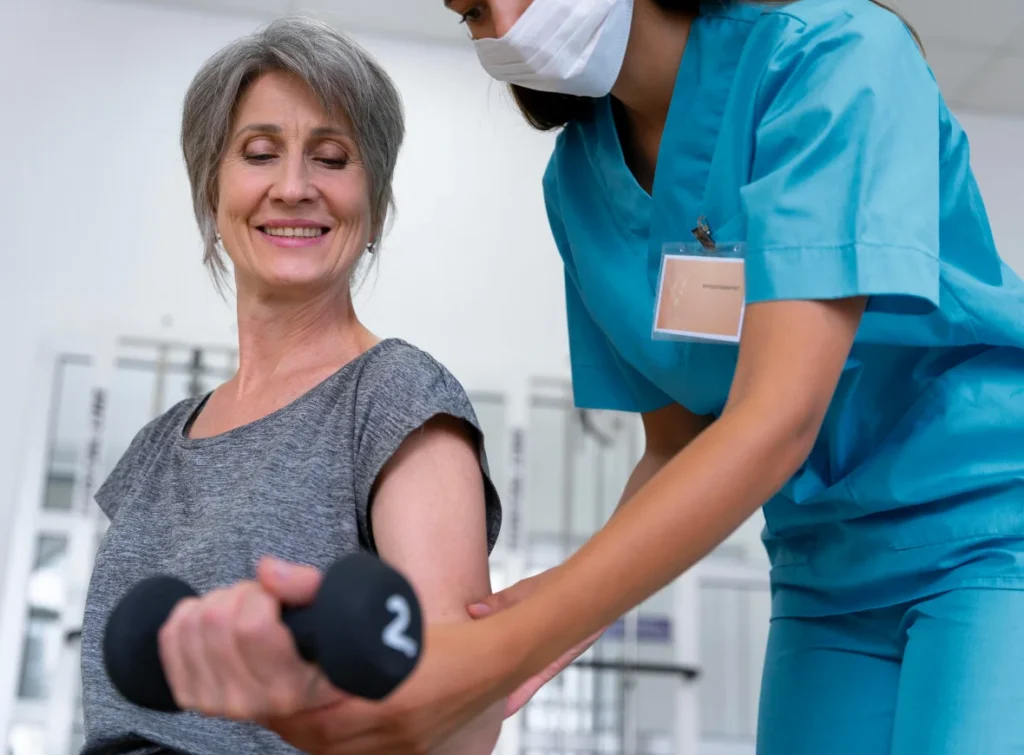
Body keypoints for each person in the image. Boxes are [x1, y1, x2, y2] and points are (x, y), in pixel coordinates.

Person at [140, 2, 1024, 754]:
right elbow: (675, 445)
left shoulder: (834, 56)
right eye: (468, 11)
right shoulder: (580, 183)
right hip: (821, 570)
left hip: (990, 536)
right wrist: (535, 632)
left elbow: (776, 418)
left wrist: (499, 651)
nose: (491, 24)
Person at [77, 16, 505, 755]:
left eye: (332, 159)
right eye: (260, 153)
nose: (295, 187)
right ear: (211, 194)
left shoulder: (396, 396)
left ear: (375, 206)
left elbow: (460, 723)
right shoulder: (157, 446)